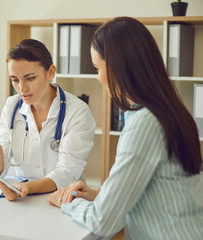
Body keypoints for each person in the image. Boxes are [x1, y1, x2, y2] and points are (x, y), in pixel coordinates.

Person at [47, 17, 203, 239]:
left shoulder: (144, 123)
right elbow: (158, 187)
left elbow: (103, 222)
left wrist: (66, 203)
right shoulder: (171, 111)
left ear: (118, 66)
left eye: (97, 68)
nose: (98, 78)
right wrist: (99, 195)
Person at [0, 39, 96, 201]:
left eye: (30, 78)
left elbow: (68, 171)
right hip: (23, 197)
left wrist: (29, 188)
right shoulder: (12, 106)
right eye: (15, 80)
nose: (22, 88)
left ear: (50, 72)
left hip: (64, 199)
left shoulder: (77, 112)